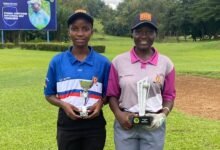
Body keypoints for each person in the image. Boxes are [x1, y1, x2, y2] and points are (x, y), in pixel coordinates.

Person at [107, 12, 176, 150]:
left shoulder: (166, 63)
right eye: (139, 31)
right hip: (126, 124)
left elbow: (169, 96)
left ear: (155, 34)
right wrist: (119, 115)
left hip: (153, 125)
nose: (144, 36)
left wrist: (163, 115)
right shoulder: (118, 61)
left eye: (149, 32)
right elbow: (112, 94)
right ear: (132, 33)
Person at [44, 9, 110, 150]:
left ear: (92, 32)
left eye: (85, 29)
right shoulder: (57, 61)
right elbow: (49, 94)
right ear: (69, 32)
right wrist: (63, 105)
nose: (80, 33)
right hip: (67, 124)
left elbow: (108, 94)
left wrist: (100, 103)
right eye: (75, 29)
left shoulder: (103, 63)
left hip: (94, 126)